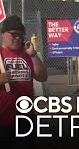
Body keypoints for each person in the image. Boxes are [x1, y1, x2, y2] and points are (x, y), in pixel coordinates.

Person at [0, 15, 48, 149]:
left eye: (21, 35)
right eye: (14, 34)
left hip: (25, 119)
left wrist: (33, 55)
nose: (17, 38)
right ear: (3, 34)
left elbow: (42, 77)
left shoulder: (27, 54)